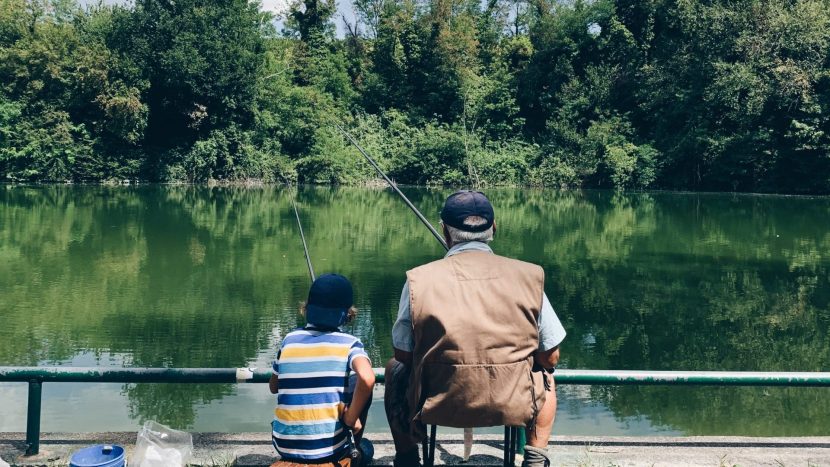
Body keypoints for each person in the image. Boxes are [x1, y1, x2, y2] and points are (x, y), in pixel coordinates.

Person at [384, 190, 566, 467]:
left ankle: (408, 458)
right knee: (546, 375)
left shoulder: (418, 281)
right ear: (494, 228)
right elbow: (550, 356)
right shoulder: (529, 276)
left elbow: (403, 354)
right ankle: (535, 459)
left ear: (444, 231)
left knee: (394, 370)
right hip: (512, 402)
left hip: (437, 403)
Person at [270, 273, 376, 466]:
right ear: (347, 315)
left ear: (307, 308)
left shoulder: (289, 340)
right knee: (367, 448)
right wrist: (351, 418)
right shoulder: (350, 344)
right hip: (327, 453)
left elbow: (273, 387)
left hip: (283, 446)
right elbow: (367, 379)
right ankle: (351, 450)